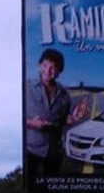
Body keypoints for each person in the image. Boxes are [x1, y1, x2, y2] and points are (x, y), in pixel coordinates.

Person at [26, 49, 87, 177]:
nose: (48, 71)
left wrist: (74, 117)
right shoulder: (27, 88)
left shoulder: (64, 94)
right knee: (31, 189)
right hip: (32, 150)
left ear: (60, 71)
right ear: (39, 65)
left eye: (53, 68)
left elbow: (64, 119)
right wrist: (31, 123)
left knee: (51, 191)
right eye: (45, 65)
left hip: (54, 153)